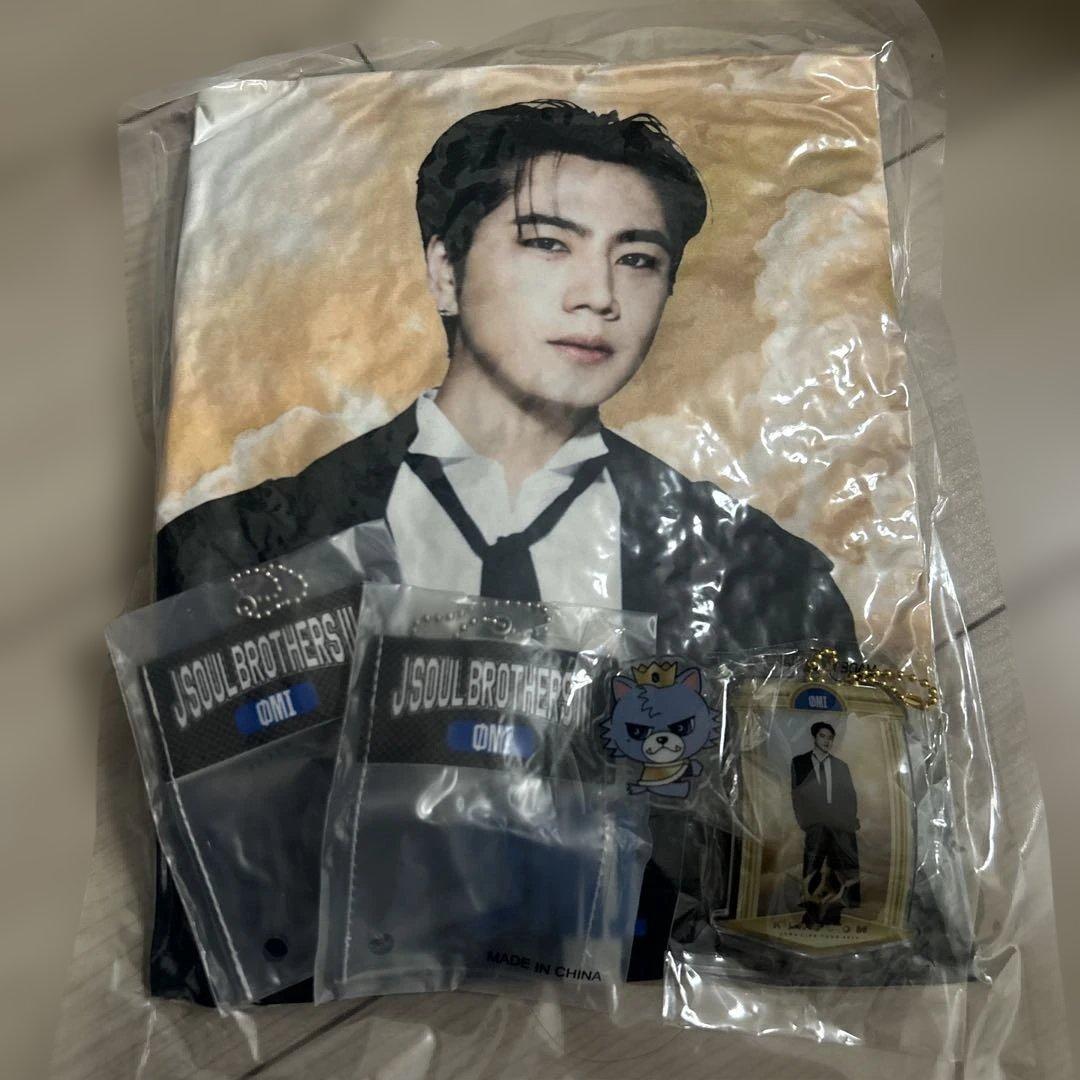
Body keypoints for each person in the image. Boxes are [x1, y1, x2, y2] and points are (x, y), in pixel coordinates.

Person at [153, 100, 860, 998]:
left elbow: (820, 895)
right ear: (444, 271)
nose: (598, 295)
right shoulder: (231, 549)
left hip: (640, 1017)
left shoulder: (769, 578)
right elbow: (209, 893)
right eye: (548, 243)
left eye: (637, 259)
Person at [790, 720, 861, 927]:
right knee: (813, 865)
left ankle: (836, 916)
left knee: (841, 867)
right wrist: (805, 821)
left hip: (840, 823)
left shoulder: (841, 766)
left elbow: (850, 796)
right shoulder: (799, 762)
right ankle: (810, 915)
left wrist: (849, 820)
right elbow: (797, 794)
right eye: (822, 736)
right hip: (815, 823)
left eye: (830, 738)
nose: (827, 741)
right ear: (815, 737)